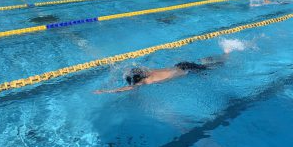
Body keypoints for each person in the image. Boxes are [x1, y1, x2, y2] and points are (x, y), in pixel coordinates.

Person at [94, 54, 227, 94]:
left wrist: (105, 91)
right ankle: (209, 59)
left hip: (186, 71)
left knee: (211, 69)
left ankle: (226, 57)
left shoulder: (145, 81)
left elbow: (126, 88)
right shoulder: (149, 72)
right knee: (202, 64)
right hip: (181, 64)